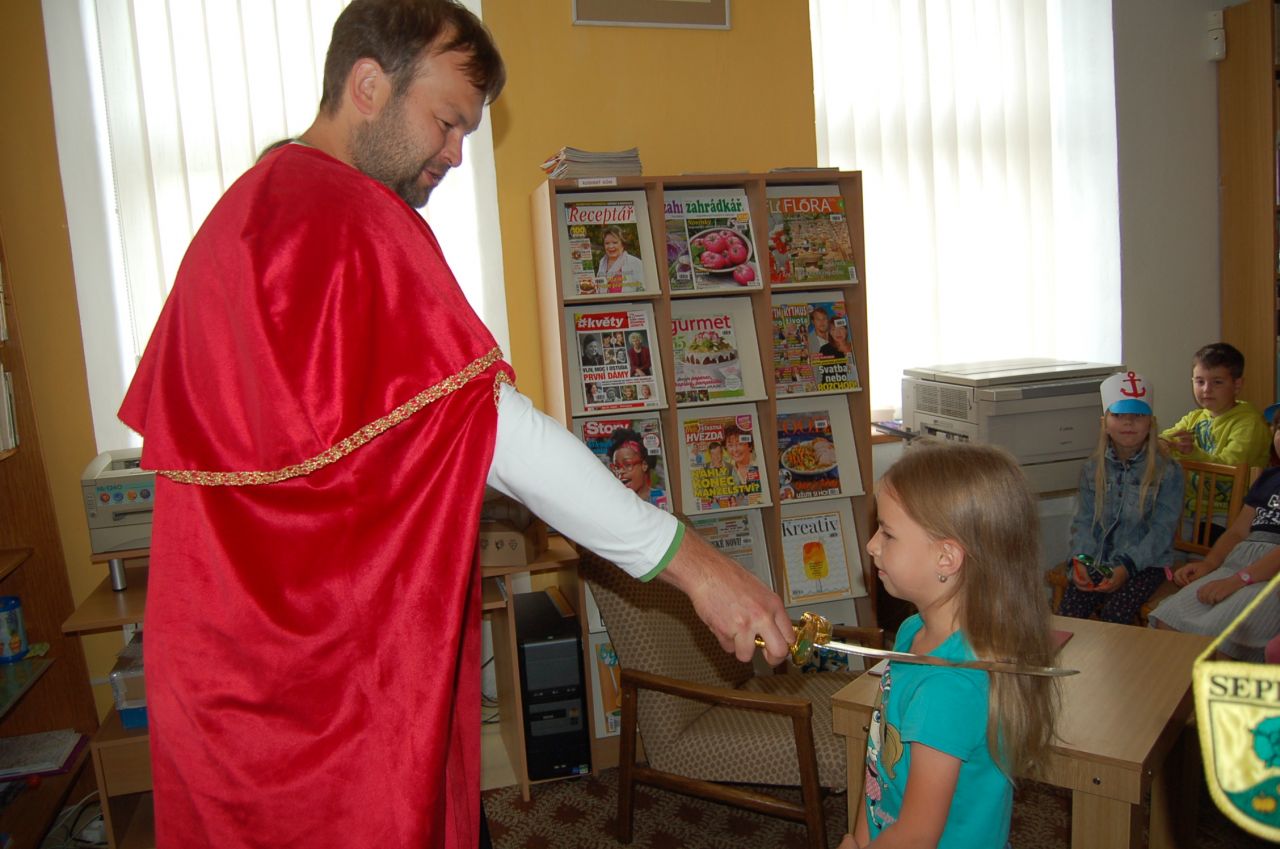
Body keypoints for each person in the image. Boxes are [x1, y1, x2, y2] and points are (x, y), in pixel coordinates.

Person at [115, 3, 794, 847]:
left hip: (224, 678)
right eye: (446, 121)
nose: (456, 153)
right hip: (319, 696)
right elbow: (497, 431)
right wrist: (698, 566)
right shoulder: (349, 216)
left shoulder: (250, 210)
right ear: (368, 85)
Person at [839, 440, 1058, 849]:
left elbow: (916, 836)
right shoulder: (913, 632)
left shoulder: (948, 688)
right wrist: (860, 838)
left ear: (946, 558)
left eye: (888, 533)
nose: (871, 545)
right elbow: (877, 762)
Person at [1149, 405, 1280, 660]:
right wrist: (1209, 564)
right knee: (1168, 619)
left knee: (1216, 638)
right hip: (1239, 561)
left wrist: (1237, 581)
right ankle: (1176, 686)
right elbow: (1238, 532)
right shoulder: (1270, 478)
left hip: (1270, 576)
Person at [1057, 372, 1183, 624]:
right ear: (1104, 423)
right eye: (1118, 416)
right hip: (1100, 558)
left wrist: (1126, 567)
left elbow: (1162, 531)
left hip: (1146, 564)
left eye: (1138, 416)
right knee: (1071, 609)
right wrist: (1080, 560)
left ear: (1151, 423)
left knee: (1116, 613)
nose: (1128, 423)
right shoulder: (1093, 469)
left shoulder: (1168, 471)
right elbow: (1085, 522)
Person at [1161, 342, 1270, 540]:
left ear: (1237, 385)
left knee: (1197, 556)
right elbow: (1168, 436)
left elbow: (1232, 469)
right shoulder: (1194, 417)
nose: (1206, 389)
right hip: (1189, 508)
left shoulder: (1249, 423)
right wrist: (1161, 442)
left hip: (1227, 513)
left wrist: (1192, 454)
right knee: (1161, 542)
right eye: (1199, 381)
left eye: (1217, 382)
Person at [608, 427, 666, 509]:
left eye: (627, 464)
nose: (620, 471)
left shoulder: (664, 501)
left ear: (644, 465)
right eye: (616, 467)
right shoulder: (612, 506)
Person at [595, 224, 645, 289]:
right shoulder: (602, 262)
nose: (610, 246)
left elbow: (642, 288)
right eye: (607, 243)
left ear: (623, 244)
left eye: (615, 242)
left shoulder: (635, 263)